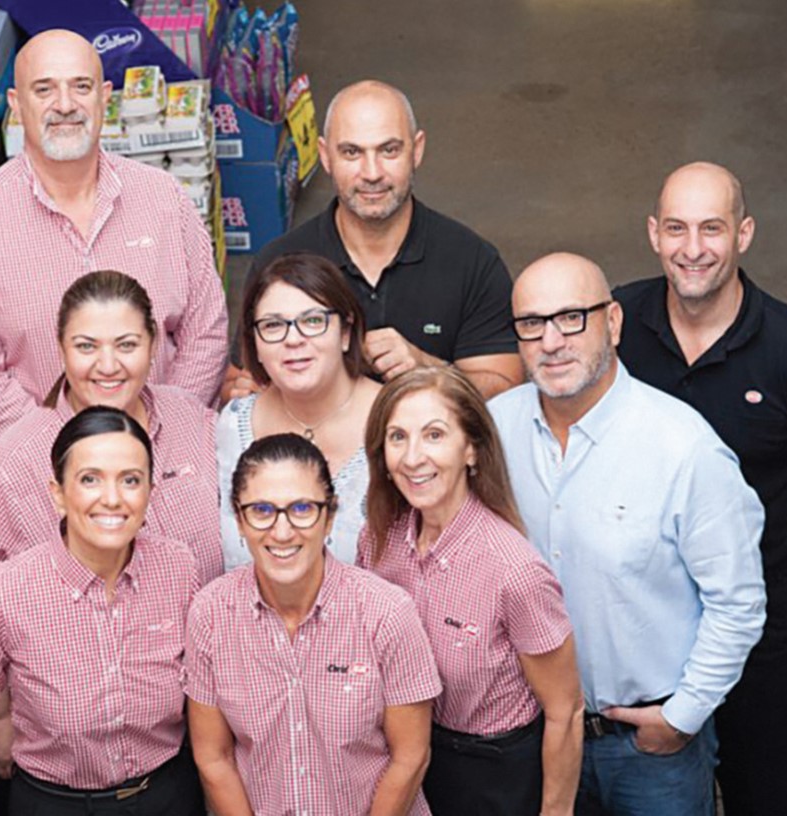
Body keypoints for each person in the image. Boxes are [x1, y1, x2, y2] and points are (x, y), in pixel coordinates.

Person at [614, 162, 787, 816]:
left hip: (763, 622)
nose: (692, 248)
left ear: (744, 233)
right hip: (646, 613)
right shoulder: (613, 328)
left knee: (771, 792)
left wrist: (762, 517)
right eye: (675, 227)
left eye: (711, 228)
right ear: (652, 233)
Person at [486, 252, 767, 816]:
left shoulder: (683, 449)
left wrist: (681, 717)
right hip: (535, 733)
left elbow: (737, 603)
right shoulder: (495, 429)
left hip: (648, 749)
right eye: (532, 324)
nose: (552, 341)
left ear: (612, 322)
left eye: (572, 318)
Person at [0, 29, 227, 446]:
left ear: (105, 96)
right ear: (17, 105)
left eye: (81, 87)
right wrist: (68, 455)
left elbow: (206, 330)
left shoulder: (164, 198)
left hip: (168, 460)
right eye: (44, 89)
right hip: (41, 477)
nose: (65, 105)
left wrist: (165, 433)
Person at [0, 407, 205, 816]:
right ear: (58, 494)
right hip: (56, 804)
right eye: (90, 480)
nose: (112, 498)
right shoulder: (6, 594)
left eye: (130, 480)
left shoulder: (178, 570)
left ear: (150, 493)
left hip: (167, 796)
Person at [359, 367, 582, 816]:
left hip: (492, 773)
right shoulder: (377, 542)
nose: (412, 457)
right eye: (397, 437)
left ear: (472, 451)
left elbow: (566, 712)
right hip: (404, 756)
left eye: (434, 435)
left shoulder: (515, 571)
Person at [187, 433, 442, 816]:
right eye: (261, 510)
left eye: (302, 508)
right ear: (239, 520)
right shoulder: (210, 613)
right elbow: (214, 757)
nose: (283, 531)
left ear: (330, 516)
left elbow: (411, 757)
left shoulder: (386, 613)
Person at [0, 269, 223, 608]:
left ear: (153, 346)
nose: (107, 365)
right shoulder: (5, 470)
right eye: (87, 346)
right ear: (61, 350)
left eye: (127, 345)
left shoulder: (193, 422)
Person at [225, 80, 522, 400]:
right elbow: (235, 384)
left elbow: (507, 392)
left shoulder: (472, 262)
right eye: (351, 152)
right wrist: (252, 392)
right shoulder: (279, 263)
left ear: (417, 150)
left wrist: (429, 371)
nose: (372, 173)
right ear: (325, 156)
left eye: (389, 150)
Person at [217, 253, 382, 568]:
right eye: (273, 325)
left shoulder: (396, 422)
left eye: (312, 321)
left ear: (346, 333)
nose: (293, 339)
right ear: (255, 344)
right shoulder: (235, 422)